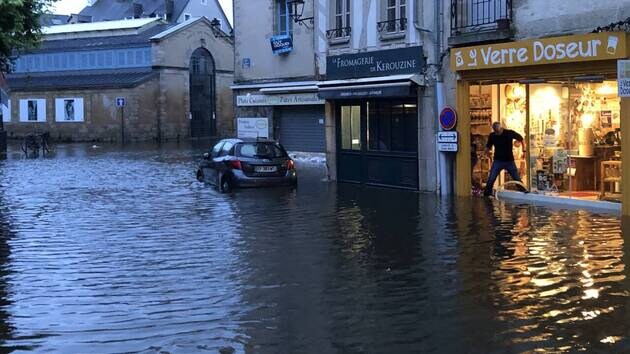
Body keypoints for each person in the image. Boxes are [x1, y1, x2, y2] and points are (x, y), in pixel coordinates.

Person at [484, 122, 528, 196]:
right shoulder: (492, 135)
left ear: (501, 128)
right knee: (491, 178)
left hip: (509, 161)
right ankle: (487, 194)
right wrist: (485, 153)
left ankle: (525, 192)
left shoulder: (509, 133)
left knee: (516, 178)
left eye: (498, 132)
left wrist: (524, 150)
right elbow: (488, 146)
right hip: (498, 161)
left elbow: (521, 138)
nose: (497, 133)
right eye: (495, 132)